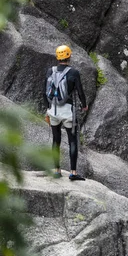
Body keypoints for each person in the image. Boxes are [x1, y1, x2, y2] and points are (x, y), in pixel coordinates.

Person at [43, 45, 88, 181]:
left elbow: (43, 91)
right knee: (72, 141)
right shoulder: (73, 72)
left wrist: (48, 108)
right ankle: (73, 173)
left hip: (53, 111)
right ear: (69, 56)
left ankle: (57, 171)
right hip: (68, 111)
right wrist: (84, 105)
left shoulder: (50, 71)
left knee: (56, 141)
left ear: (58, 57)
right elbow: (80, 92)